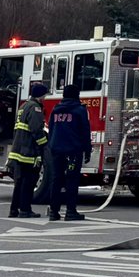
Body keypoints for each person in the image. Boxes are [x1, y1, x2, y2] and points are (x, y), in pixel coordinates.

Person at [47, 83, 91, 221]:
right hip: (73, 151)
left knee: (56, 179)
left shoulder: (56, 110)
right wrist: (87, 150)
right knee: (72, 180)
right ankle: (71, 211)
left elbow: (51, 129)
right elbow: (85, 131)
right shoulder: (80, 110)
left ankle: (54, 212)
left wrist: (51, 147)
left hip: (56, 150)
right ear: (77, 95)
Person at [8, 82, 49, 218]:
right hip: (28, 152)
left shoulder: (23, 106)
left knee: (19, 182)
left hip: (18, 150)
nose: (45, 98)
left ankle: (14, 210)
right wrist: (44, 146)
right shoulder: (35, 108)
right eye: (44, 96)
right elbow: (36, 130)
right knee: (29, 182)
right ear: (40, 96)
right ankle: (25, 210)